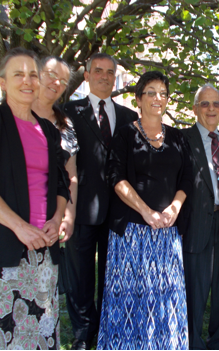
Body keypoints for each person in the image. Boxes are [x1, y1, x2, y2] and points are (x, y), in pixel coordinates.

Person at [0, 48, 70, 350]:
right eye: (18, 74)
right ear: (2, 82)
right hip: (1, 250)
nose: (27, 80)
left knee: (42, 332)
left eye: (33, 74)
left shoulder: (48, 129)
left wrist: (57, 218)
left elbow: (62, 183)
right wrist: (19, 227)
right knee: (2, 337)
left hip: (43, 250)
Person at [97, 71, 192, 350]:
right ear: (138, 99)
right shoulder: (125, 135)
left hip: (167, 232)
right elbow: (116, 178)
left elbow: (188, 178)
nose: (157, 98)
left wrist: (174, 207)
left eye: (162, 92)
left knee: (165, 295)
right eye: (150, 92)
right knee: (130, 297)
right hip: (132, 231)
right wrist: (146, 212)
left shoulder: (178, 138)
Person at [63, 53, 138, 350]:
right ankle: (83, 332)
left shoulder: (129, 117)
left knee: (112, 275)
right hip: (80, 208)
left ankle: (109, 325)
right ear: (86, 75)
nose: (104, 76)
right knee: (80, 276)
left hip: (118, 212)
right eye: (98, 71)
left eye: (110, 72)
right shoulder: (68, 111)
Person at [181, 84, 219, 350]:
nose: (211, 109)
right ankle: (192, 342)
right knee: (194, 289)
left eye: (216, 104)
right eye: (204, 104)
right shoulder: (181, 140)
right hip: (194, 225)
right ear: (195, 109)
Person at [31, 56, 79, 245]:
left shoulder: (66, 125)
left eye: (63, 81)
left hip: (50, 224)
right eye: (51, 74)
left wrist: (69, 216)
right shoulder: (7, 114)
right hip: (7, 220)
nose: (56, 82)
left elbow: (71, 175)